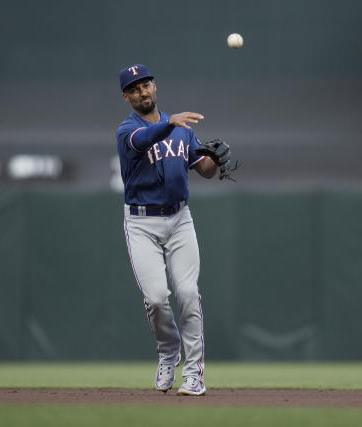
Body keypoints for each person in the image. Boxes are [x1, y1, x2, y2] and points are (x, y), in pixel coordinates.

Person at [115, 64, 228, 396]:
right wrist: (169, 123)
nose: (142, 92)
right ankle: (168, 353)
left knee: (188, 294)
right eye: (134, 89)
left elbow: (203, 171)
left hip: (180, 219)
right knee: (156, 298)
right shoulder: (127, 130)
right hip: (141, 223)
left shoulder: (181, 130)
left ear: (154, 86)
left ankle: (194, 374)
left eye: (146, 84)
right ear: (126, 97)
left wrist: (214, 158)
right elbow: (144, 139)